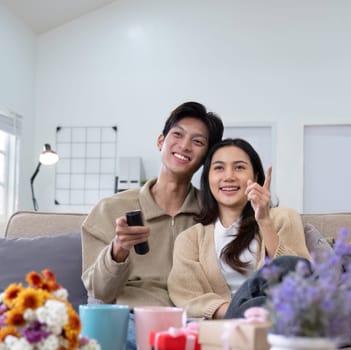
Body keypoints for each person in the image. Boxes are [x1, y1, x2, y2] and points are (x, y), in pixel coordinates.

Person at [81, 101, 224, 349]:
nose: (185, 145)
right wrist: (118, 250)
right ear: (161, 141)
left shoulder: (213, 213)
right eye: (177, 134)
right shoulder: (109, 209)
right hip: (131, 319)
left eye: (198, 142)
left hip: (192, 321)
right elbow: (100, 292)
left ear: (206, 158)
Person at [167, 137, 312, 320]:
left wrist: (265, 221)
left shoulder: (283, 217)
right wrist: (239, 312)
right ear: (208, 178)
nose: (229, 176)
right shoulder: (191, 238)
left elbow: (299, 275)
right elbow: (187, 295)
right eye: (219, 168)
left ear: (256, 177)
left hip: (278, 317)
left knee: (287, 266)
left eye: (239, 167)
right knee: (258, 305)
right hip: (227, 322)